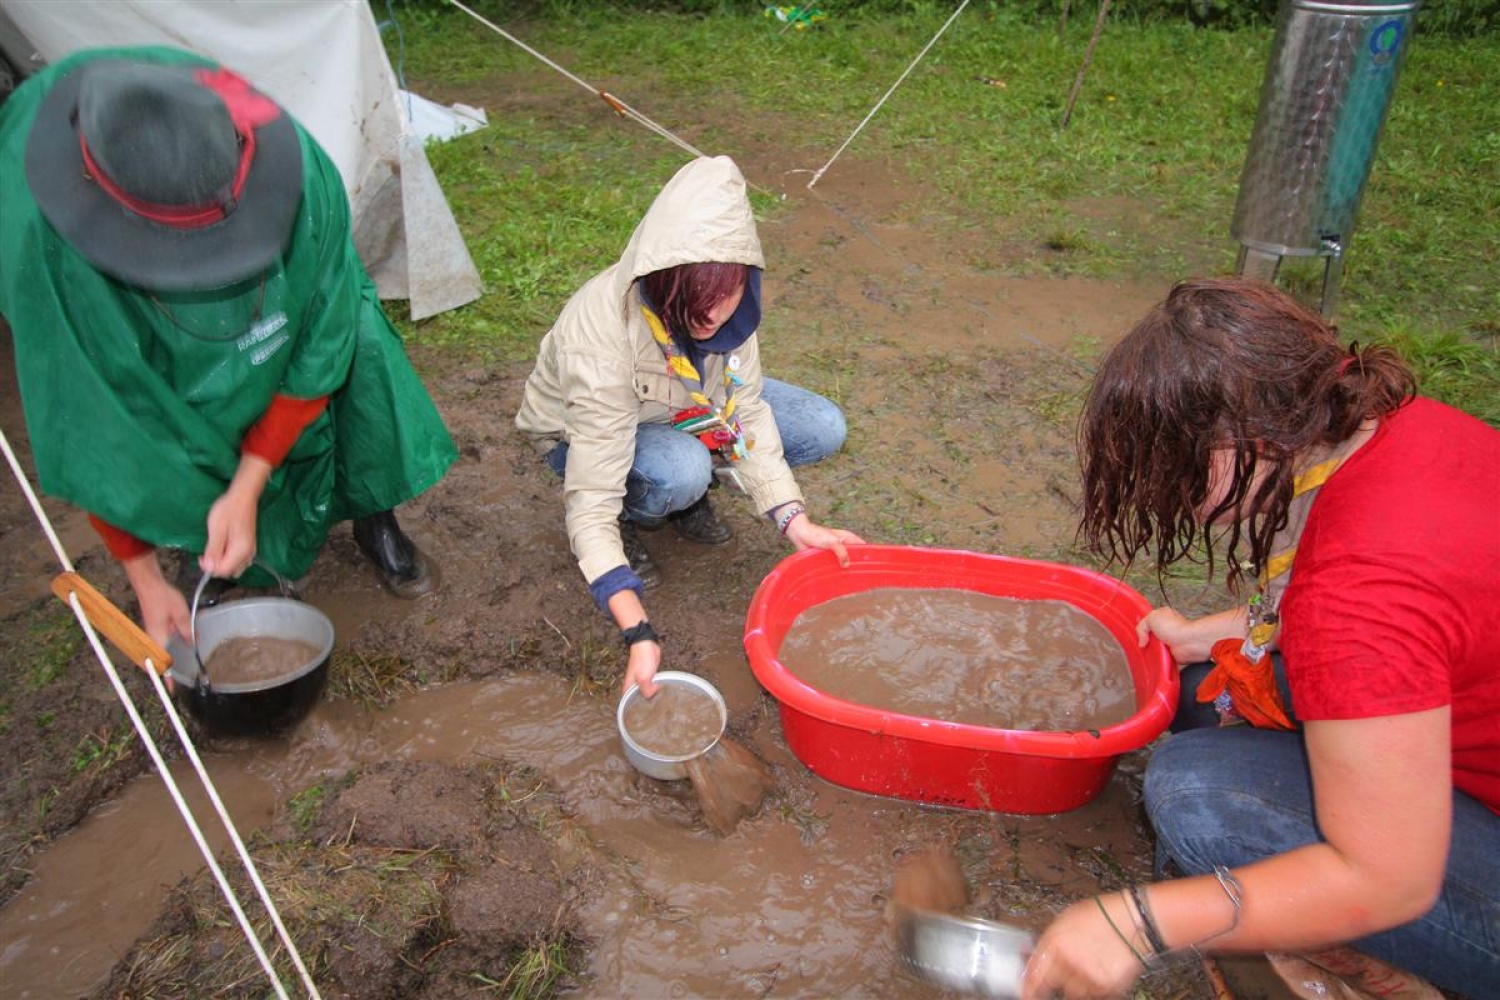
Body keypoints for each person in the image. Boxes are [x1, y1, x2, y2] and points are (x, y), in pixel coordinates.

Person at [1020, 278, 1499, 999]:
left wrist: (1136, 924)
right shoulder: (1393, 424)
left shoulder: (1360, 594)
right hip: (1453, 734)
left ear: (1245, 444)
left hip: (1429, 847)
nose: (1171, 494)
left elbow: (1391, 878)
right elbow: (1409, 621)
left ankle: (1389, 975)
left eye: (1174, 469)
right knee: (1192, 692)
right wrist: (1200, 635)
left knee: (1198, 793)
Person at [0, 47, 458, 652]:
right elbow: (94, 425)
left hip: (294, 310)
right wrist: (143, 576)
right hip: (116, 300)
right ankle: (208, 548)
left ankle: (375, 516)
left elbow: (323, 332)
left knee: (358, 351)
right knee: (189, 405)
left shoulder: (291, 164)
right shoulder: (39, 243)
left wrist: (249, 483)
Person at [516, 155, 863, 696]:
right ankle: (654, 508)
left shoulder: (733, 303)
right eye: (696, 300)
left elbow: (746, 408)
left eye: (727, 294)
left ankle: (694, 487)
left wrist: (794, 520)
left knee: (821, 426)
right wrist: (637, 628)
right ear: (663, 278)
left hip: (687, 404)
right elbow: (590, 496)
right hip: (587, 429)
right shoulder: (601, 338)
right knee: (682, 468)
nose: (714, 315)